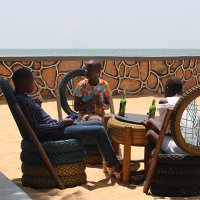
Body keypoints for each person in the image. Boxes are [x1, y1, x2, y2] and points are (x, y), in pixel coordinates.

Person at [12, 68, 140, 180]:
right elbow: (36, 129)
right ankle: (118, 167)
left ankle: (110, 164)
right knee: (99, 131)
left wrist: (37, 105)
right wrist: (62, 123)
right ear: (23, 83)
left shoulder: (23, 98)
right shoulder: (22, 100)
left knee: (100, 126)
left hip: (54, 128)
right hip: (52, 132)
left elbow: (35, 120)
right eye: (32, 82)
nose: (34, 85)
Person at [132, 77, 193, 186]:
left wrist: (150, 121)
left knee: (150, 134)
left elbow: (164, 130)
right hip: (194, 147)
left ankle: (146, 178)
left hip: (180, 148)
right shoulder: (190, 101)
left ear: (168, 90)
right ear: (181, 92)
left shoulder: (165, 101)